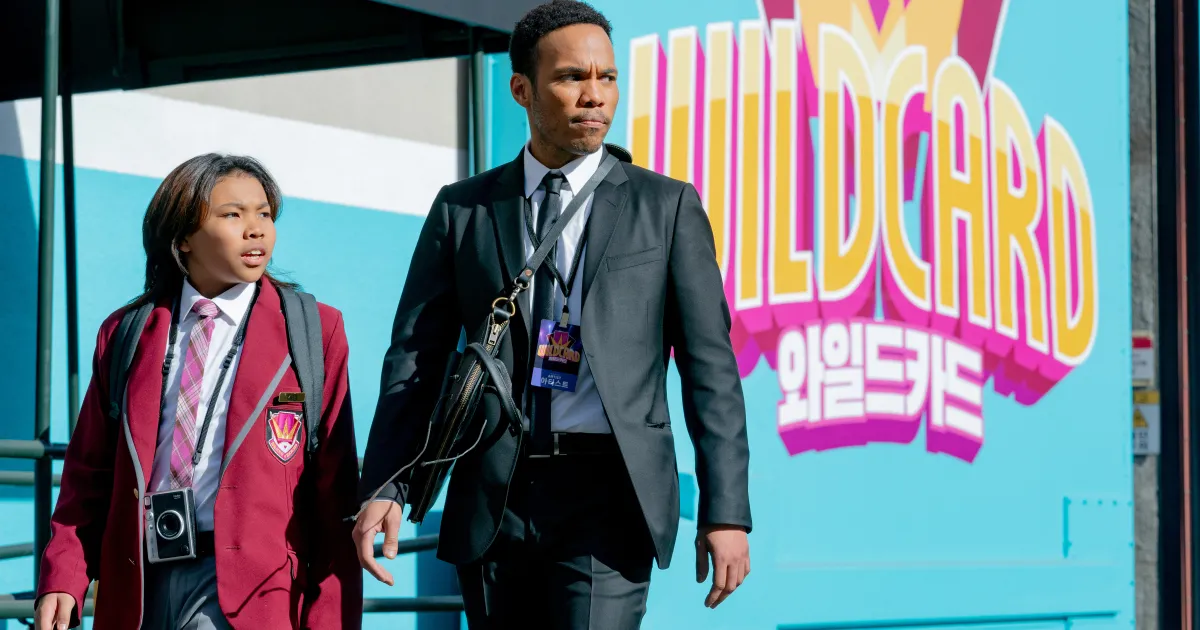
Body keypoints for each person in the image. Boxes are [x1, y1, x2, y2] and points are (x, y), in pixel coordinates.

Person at [34, 154, 363, 630]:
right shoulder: (127, 332)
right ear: (184, 237)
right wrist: (63, 576)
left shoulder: (313, 330)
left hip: (248, 592)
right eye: (233, 214)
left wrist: (329, 618)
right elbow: (88, 472)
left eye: (264, 214)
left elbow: (335, 492)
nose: (256, 229)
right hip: (138, 583)